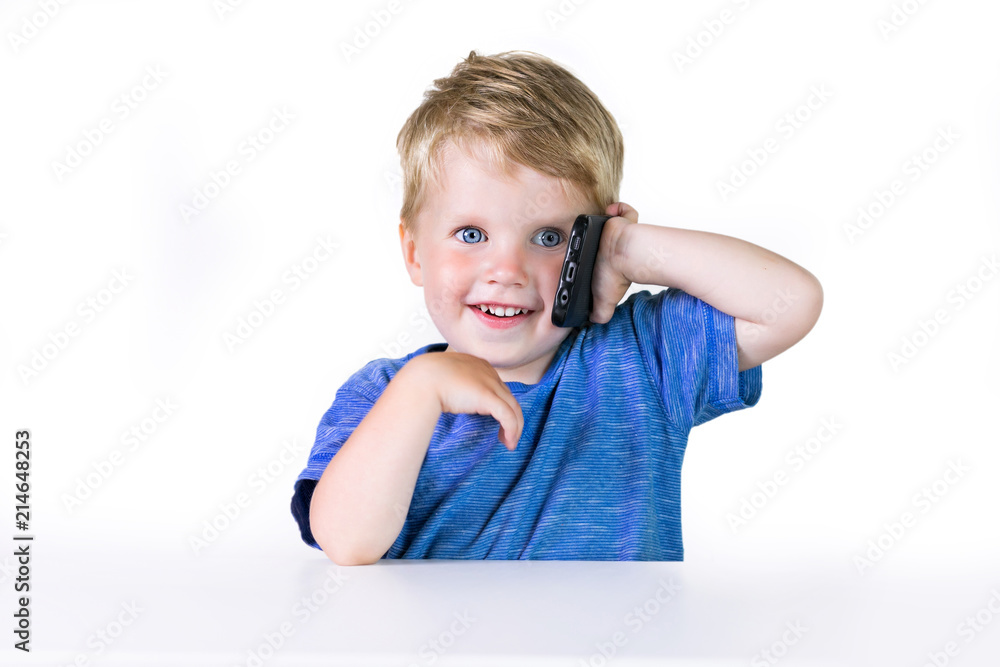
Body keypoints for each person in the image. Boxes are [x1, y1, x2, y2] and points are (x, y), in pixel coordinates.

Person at [291, 49, 823, 564]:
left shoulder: (643, 359)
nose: (507, 270)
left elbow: (789, 304)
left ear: (590, 243)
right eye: (471, 233)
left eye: (548, 237)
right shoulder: (385, 395)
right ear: (414, 253)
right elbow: (346, 542)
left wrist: (626, 250)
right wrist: (420, 390)